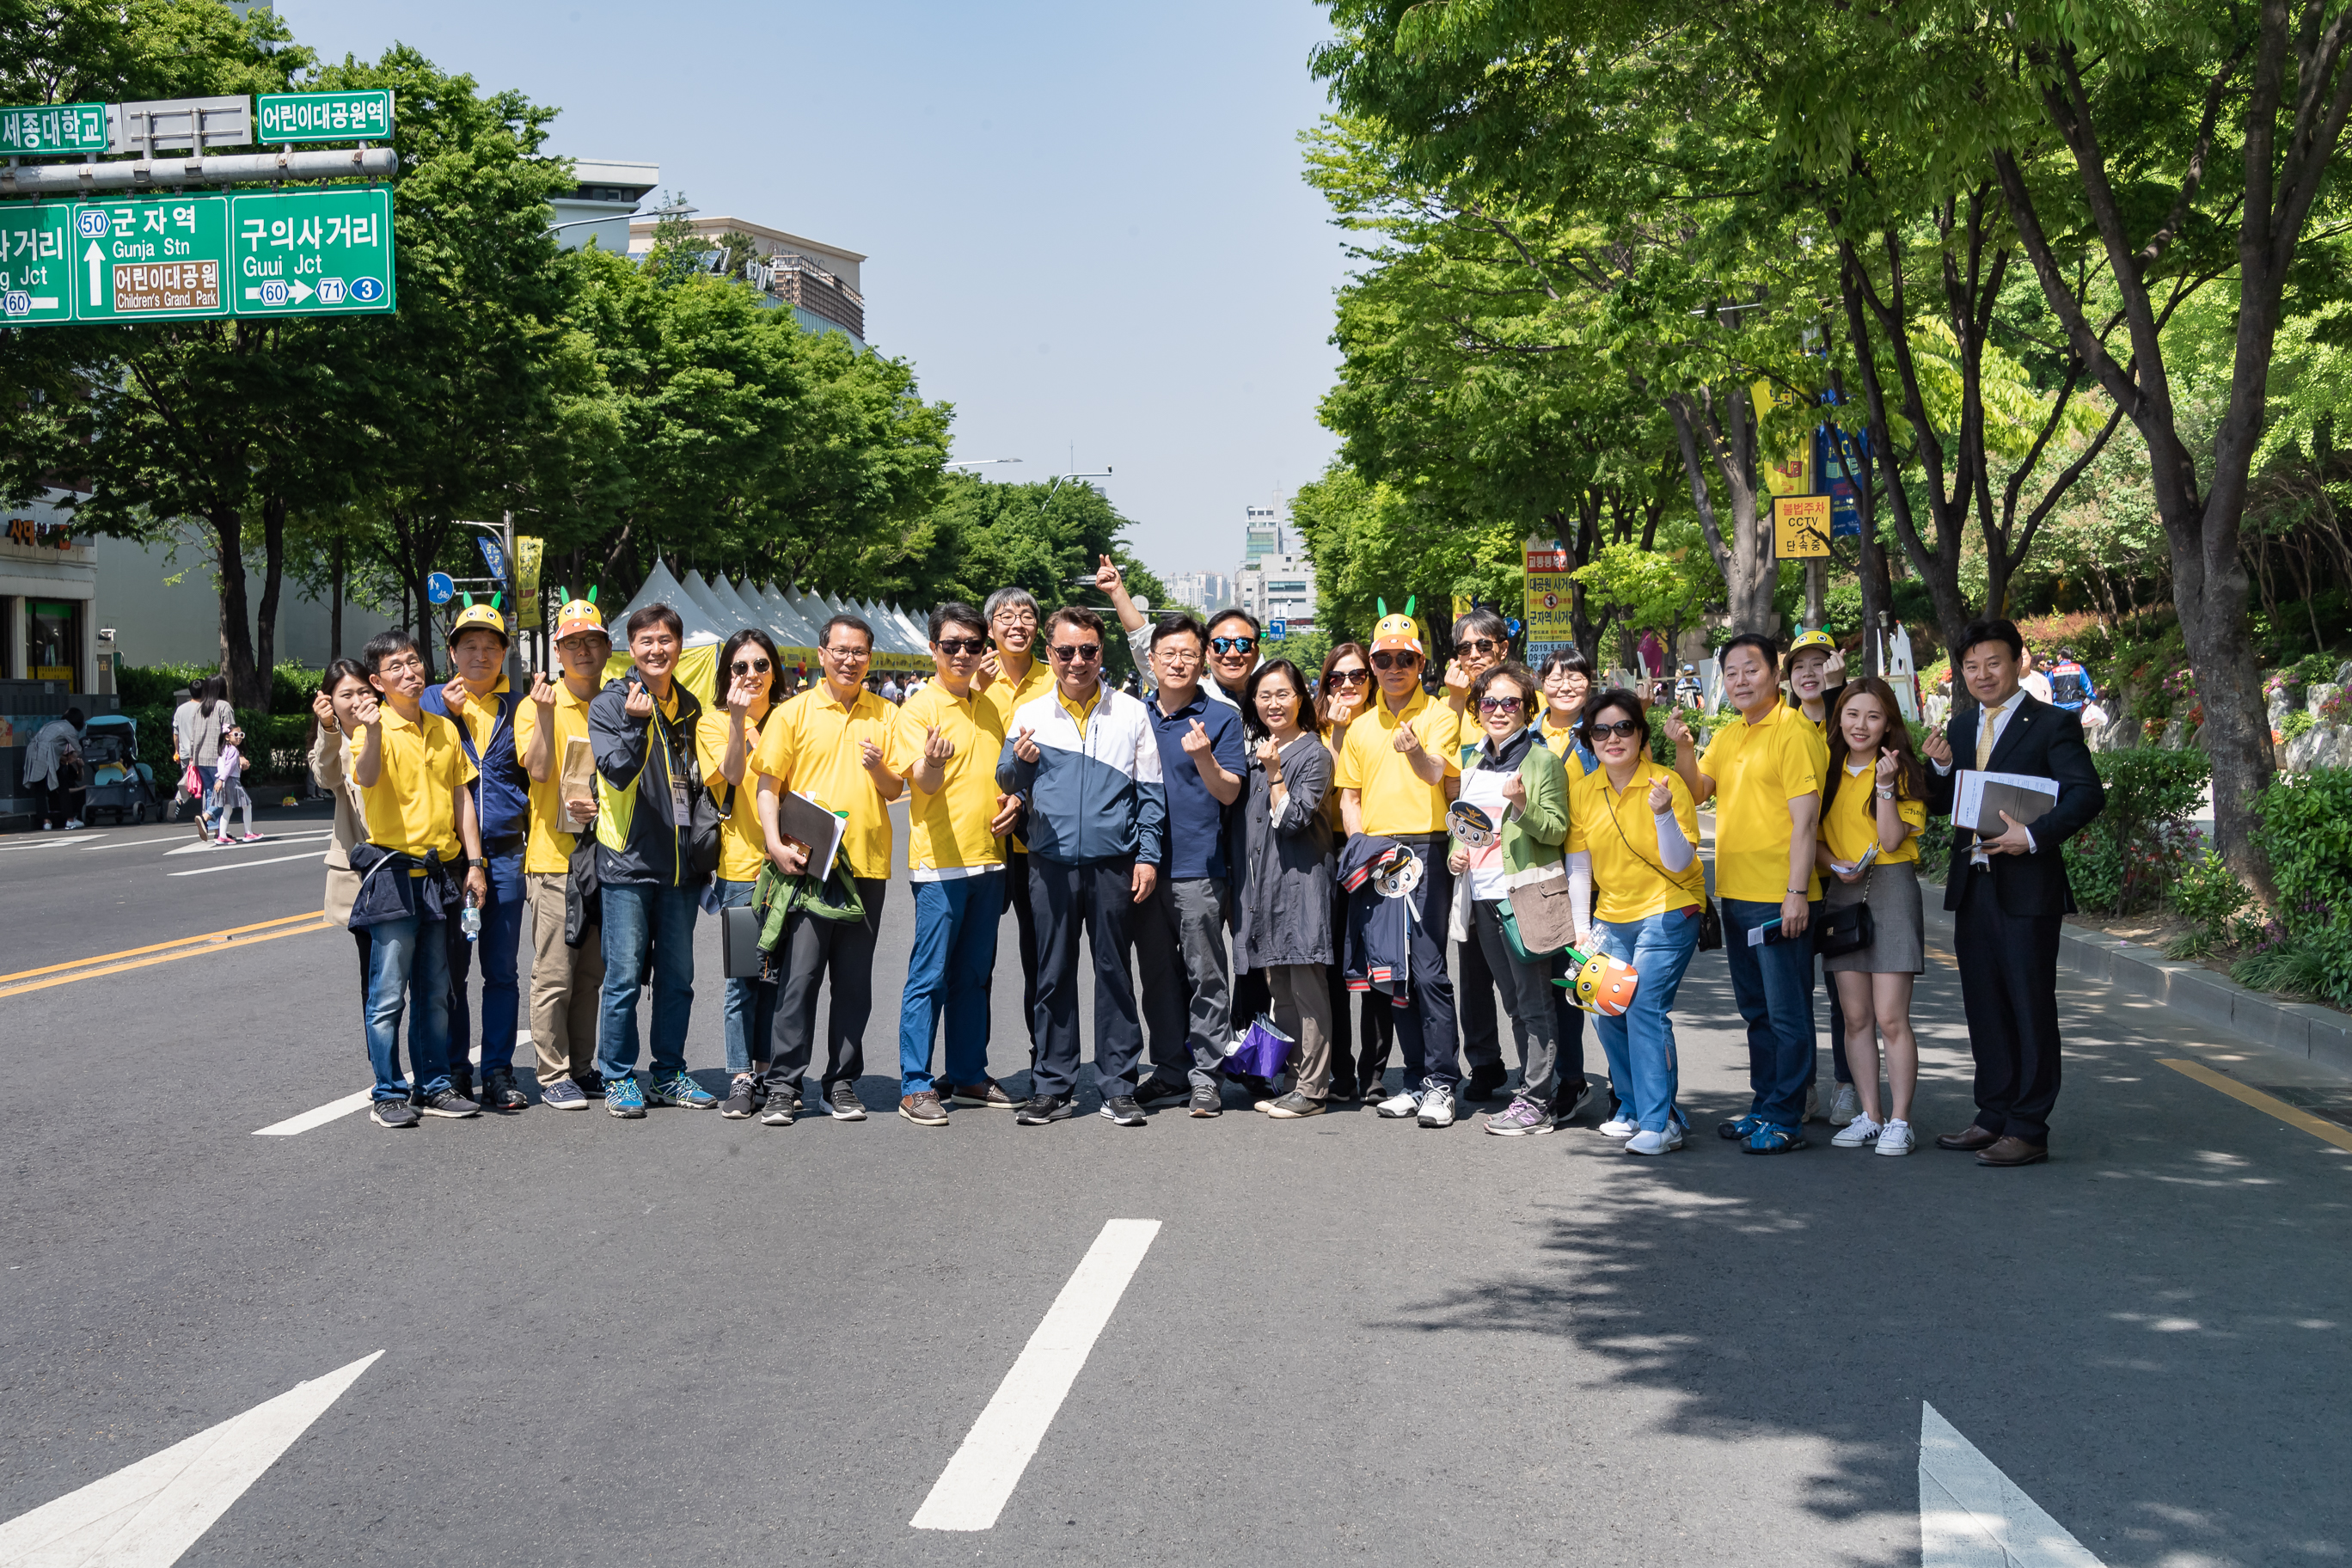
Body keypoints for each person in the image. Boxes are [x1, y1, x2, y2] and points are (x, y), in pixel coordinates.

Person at [1922, 618, 2105, 1167]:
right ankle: (1992, 1115)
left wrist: (2034, 835)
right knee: (1984, 1005)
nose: (1982, 674)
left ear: (2019, 661)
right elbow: (1941, 804)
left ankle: (2028, 1127)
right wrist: (1938, 767)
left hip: (2028, 888)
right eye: (1971, 666)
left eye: (1993, 663)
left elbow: (2087, 795)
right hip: (1973, 884)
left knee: (2029, 1006)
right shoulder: (1957, 728)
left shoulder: (2051, 724)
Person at [995, 604, 1167, 1126]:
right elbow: (1006, 780)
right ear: (1050, 655)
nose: (1077, 661)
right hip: (1048, 864)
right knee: (1052, 975)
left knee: (1115, 974)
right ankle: (1053, 1084)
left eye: (1088, 651)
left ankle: (1118, 1086)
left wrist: (1148, 856)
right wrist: (1019, 765)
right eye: (1066, 652)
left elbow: (1151, 795)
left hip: (1114, 864)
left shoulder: (1132, 713)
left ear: (1101, 653)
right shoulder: (1030, 714)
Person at [1663, 631, 1828, 1155]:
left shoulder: (1795, 731)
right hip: (1735, 894)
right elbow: (1696, 791)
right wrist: (1685, 749)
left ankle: (1786, 1116)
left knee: (1787, 1012)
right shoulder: (1732, 734)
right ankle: (1765, 1104)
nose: (1740, 680)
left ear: (1775, 673)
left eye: (1751, 670)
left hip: (1780, 895)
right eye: (1731, 672)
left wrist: (1797, 892)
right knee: (1756, 1011)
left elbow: (1806, 824)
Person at [753, 616, 902, 1125]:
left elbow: (894, 790)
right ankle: (783, 1084)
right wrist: (774, 845)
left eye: (859, 652)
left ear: (869, 657)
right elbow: (767, 786)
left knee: (854, 982)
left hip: (866, 865)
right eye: (840, 650)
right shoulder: (792, 713)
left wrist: (878, 765)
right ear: (821, 654)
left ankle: (840, 1082)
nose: (849, 660)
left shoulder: (885, 713)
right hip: (808, 866)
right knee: (800, 977)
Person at [347, 631, 488, 1128]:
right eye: (396, 667)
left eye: (414, 662)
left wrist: (475, 863)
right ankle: (388, 1090)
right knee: (388, 992)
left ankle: (433, 1085)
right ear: (377, 681)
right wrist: (371, 732)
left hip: (439, 874)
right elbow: (365, 779)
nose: (411, 672)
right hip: (391, 873)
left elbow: (461, 799)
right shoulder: (371, 730)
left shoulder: (444, 728)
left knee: (437, 988)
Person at [891, 603, 1025, 1123]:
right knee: (929, 977)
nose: (963, 655)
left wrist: (1016, 801)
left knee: (975, 975)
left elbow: (1002, 774)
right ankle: (915, 1084)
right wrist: (931, 760)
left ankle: (968, 1073)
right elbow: (919, 782)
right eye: (952, 646)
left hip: (989, 860)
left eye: (972, 645)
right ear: (934, 650)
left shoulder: (988, 706)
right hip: (939, 864)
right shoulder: (919, 709)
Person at [1332, 602, 1464, 1128]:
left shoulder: (1440, 715)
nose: (1393, 669)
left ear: (1420, 662)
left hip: (1425, 846)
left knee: (1428, 969)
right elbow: (1349, 798)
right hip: (1378, 851)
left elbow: (1438, 774)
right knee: (1391, 972)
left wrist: (1413, 752)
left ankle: (1442, 1082)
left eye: (1403, 660)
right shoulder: (1362, 727)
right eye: (1383, 660)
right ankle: (1414, 1080)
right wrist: (1361, 844)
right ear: (1372, 663)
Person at [1565, 688, 1708, 1155]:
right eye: (1601, 730)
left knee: (1643, 1005)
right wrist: (1581, 928)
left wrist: (1663, 813)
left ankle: (1661, 1119)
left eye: (1624, 727)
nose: (1613, 738)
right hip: (1612, 915)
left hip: (1668, 907)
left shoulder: (1666, 782)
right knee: (1605, 1005)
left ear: (1640, 733)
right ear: (1590, 740)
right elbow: (1580, 867)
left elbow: (1680, 862)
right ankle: (1629, 1106)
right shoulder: (1584, 791)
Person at [589, 603, 717, 1118]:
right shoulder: (611, 703)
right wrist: (636, 725)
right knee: (622, 978)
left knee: (678, 979)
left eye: (665, 640)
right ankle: (618, 1076)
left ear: (678, 646)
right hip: (628, 862)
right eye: (646, 641)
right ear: (632, 649)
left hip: (682, 866)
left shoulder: (689, 705)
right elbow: (617, 773)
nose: (656, 650)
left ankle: (668, 1073)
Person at [1445, 663, 1574, 1137]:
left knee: (1535, 1002)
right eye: (1489, 702)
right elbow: (1466, 826)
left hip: (1525, 898)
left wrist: (1522, 804)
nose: (1498, 710)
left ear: (1527, 709)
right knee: (1515, 1004)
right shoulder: (1474, 759)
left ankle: (1538, 1099)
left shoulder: (1543, 762)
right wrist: (1458, 855)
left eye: (1510, 703)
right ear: (1478, 710)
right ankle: (1535, 1089)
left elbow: (1558, 829)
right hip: (1482, 897)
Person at [1130, 612, 1249, 1117]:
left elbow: (1229, 792)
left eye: (1188, 654)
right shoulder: (1134, 715)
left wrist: (1204, 758)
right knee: (1157, 974)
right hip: (1142, 865)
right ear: (1151, 660)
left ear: (1201, 661)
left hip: (1198, 867)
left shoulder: (1221, 717)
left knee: (1206, 974)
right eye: (1168, 654)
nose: (1178, 662)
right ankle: (1171, 1069)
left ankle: (1206, 1074)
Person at [422, 601, 534, 1111]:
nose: (481, 655)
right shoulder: (427, 703)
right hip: (450, 862)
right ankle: (453, 1071)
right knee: (451, 971)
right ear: (452, 653)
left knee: (502, 972)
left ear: (505, 654)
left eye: (491, 646)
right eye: (470, 646)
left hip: (507, 858)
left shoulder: (523, 708)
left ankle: (498, 1071)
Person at [1817, 677, 1931, 1155]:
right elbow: (1811, 838)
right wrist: (1831, 864)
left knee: (1890, 1018)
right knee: (1855, 1016)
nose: (1860, 725)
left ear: (1889, 722)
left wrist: (1884, 786)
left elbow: (1889, 841)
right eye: (1852, 714)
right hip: (1844, 892)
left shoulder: (1902, 770)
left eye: (1873, 716)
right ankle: (1870, 1113)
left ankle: (1900, 1120)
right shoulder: (1826, 769)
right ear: (1838, 718)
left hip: (1891, 887)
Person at [514, 593, 611, 1110]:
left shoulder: (615, 702)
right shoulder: (537, 704)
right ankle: (552, 1075)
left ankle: (581, 1064)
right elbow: (538, 770)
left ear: (605, 648)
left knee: (592, 972)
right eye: (572, 643)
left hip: (607, 857)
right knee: (554, 972)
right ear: (558, 650)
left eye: (591, 642)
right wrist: (548, 718)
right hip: (555, 858)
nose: (582, 651)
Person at [1234, 659, 1336, 1117]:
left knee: (1308, 992)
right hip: (1267, 892)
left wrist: (1275, 773)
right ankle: (1294, 1080)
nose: (1274, 703)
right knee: (1282, 991)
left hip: (1302, 886)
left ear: (1301, 697)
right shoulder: (1260, 748)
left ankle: (1313, 1089)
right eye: (1264, 695)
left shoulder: (1313, 754)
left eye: (1283, 693)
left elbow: (1294, 819)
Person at [700, 628, 786, 1118]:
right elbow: (731, 776)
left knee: (779, 979)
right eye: (739, 667)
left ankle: (770, 1070)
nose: (750, 675)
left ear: (775, 669)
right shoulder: (714, 721)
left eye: (760, 665)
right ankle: (740, 1075)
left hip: (791, 869)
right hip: (741, 870)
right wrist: (737, 723)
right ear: (726, 674)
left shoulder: (792, 716)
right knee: (743, 980)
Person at [1442, 607, 1520, 1104]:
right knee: (1471, 970)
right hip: (1468, 859)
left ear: (1502, 649)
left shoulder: (1517, 701)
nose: (1474, 656)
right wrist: (1451, 702)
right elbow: (1444, 774)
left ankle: (1544, 1068)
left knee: (1523, 974)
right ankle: (1485, 1062)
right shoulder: (1450, 707)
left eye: (1483, 647)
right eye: (1465, 648)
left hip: (1519, 862)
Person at [977, 585, 1054, 1069]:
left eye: (1026, 616)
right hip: (976, 839)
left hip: (1033, 839)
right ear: (990, 629)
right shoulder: (968, 676)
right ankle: (968, 1066)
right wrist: (973, 691)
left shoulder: (1057, 677)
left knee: (1039, 957)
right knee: (973, 962)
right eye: (1005, 616)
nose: (1016, 624)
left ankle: (1044, 1057)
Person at [1785, 627, 1858, 1126]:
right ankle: (1802, 1084)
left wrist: (1840, 698)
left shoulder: (1851, 722)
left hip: (1841, 877)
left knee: (1842, 991)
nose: (1810, 673)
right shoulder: (1781, 727)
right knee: (1792, 991)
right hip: (1792, 876)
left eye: (1820, 663)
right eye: (1800, 666)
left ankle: (1848, 1085)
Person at [1315, 642, 1384, 1101]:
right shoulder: (1316, 728)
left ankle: (1374, 1074)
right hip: (1329, 853)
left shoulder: (1386, 721)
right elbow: (1330, 793)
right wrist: (1337, 735)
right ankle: (1340, 1071)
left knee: (1379, 964)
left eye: (1357, 676)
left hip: (1379, 852)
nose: (1346, 686)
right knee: (1334, 968)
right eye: (1335, 679)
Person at [311, 659, 377, 1001]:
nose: (356, 701)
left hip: (404, 861)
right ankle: (380, 1055)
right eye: (346, 694)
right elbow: (327, 777)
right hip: (361, 872)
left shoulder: (394, 727)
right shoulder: (331, 742)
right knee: (375, 979)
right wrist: (329, 730)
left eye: (363, 691)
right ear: (330, 701)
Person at [183, 677, 235, 842]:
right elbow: (230, 734)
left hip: (200, 757)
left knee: (211, 793)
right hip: (217, 757)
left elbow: (193, 737)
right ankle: (206, 818)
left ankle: (217, 831)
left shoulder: (200, 708)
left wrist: (193, 757)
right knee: (224, 795)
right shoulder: (224, 707)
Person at [24, 708, 87, 830]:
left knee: (40, 788)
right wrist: (73, 757)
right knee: (62, 784)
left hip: (33, 751)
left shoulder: (53, 724)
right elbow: (78, 748)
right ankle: (70, 819)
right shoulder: (69, 729)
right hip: (48, 754)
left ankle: (46, 822)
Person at [1537, 648, 1598, 772]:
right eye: (1555, 680)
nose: (1565, 687)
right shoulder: (1527, 738)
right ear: (1543, 686)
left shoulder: (1603, 734)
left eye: (1575, 679)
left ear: (1589, 685)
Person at [210, 724, 258, 842]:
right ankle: (248, 833)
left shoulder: (223, 749)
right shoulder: (234, 751)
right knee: (247, 805)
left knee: (227, 809)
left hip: (223, 780)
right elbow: (229, 767)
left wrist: (220, 780)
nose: (239, 738)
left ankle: (222, 836)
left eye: (241, 735)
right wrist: (222, 780)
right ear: (227, 737)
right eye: (236, 735)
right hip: (231, 781)